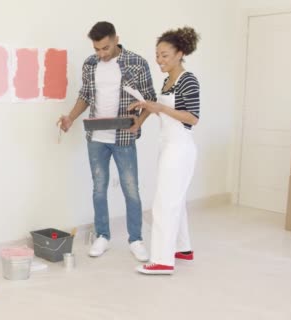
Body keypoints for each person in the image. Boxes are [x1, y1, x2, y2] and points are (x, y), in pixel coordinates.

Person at [58, 21, 156, 261]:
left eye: (105, 48)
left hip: (124, 136)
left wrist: (139, 124)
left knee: (130, 189)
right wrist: (70, 117)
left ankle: (136, 239)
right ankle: (103, 236)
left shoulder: (137, 63)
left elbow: (150, 99)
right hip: (97, 138)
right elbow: (85, 95)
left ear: (116, 39)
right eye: (96, 49)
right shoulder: (90, 65)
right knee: (98, 188)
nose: (101, 54)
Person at [129, 26, 201, 275]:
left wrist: (159, 107)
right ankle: (183, 249)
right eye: (157, 55)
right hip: (168, 145)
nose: (159, 60)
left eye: (165, 55)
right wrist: (147, 111)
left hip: (180, 148)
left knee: (164, 202)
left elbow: (192, 118)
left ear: (180, 53)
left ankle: (162, 260)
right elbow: (162, 107)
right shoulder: (168, 79)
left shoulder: (187, 79)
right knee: (175, 200)